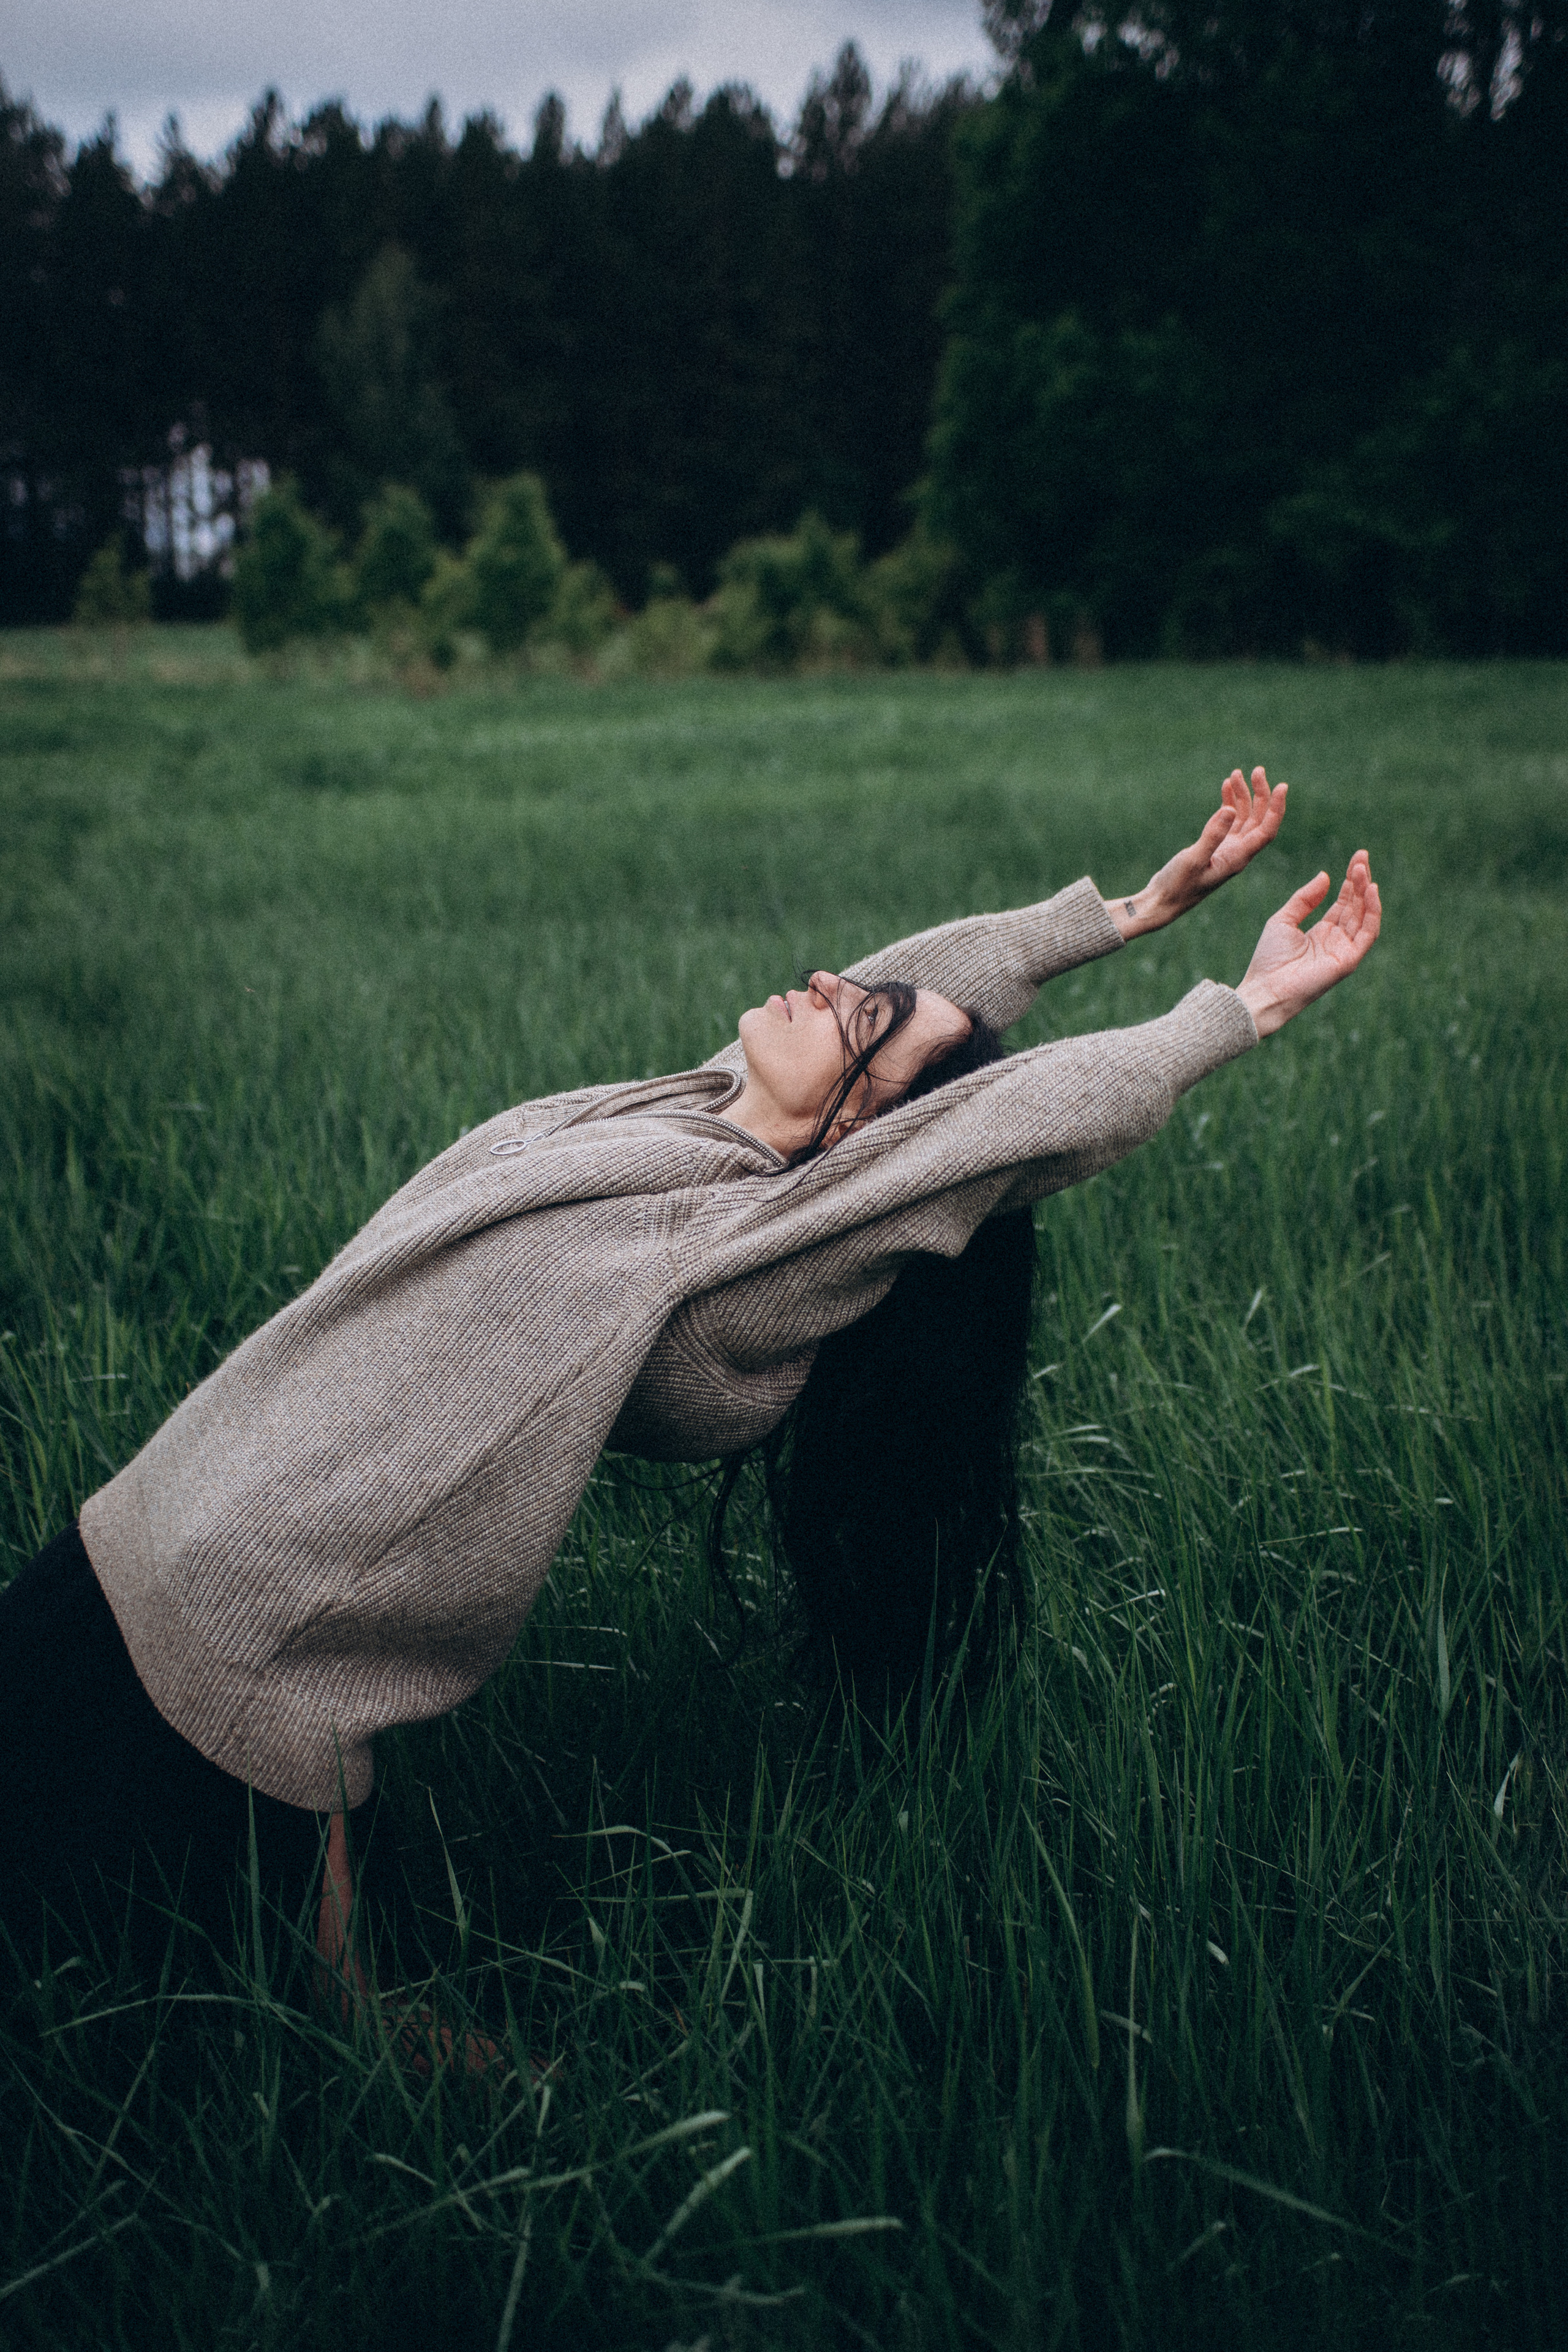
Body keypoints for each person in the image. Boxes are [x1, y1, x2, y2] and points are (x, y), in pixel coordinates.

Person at [0, 769, 1380, 1991]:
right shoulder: (683, 1117)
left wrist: (1241, 1007)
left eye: (862, 1020)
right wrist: (1124, 913)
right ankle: (346, 1994)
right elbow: (914, 1000)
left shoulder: (742, 1251)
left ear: (859, 1139)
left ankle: (360, 2016)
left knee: (151, 1966)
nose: (832, 982)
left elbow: (997, 1122)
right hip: (153, 1526)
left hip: (239, 1618)